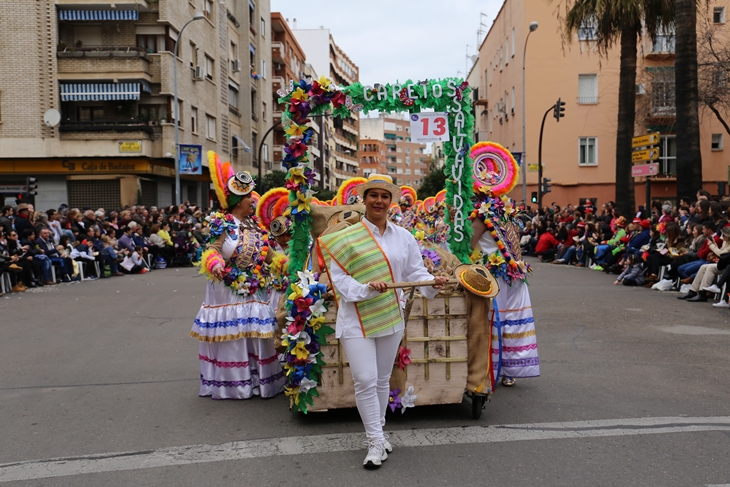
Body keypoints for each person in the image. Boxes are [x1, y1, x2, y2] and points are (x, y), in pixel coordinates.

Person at [318, 174, 448, 469]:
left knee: (380, 380)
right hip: (356, 318)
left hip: (390, 315)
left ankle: (378, 433)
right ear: (363, 200)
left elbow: (415, 274)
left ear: (392, 201)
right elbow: (339, 280)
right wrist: (365, 288)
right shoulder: (345, 237)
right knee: (364, 379)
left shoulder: (403, 236)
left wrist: (432, 282)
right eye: (373, 195)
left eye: (384, 196)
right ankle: (375, 442)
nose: (378, 201)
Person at [191, 153, 284, 401]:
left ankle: (260, 381)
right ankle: (235, 384)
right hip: (227, 290)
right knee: (234, 337)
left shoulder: (255, 226)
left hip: (255, 289)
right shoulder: (223, 224)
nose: (253, 201)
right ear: (237, 201)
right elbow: (211, 249)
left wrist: (285, 264)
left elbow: (270, 254)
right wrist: (215, 263)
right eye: (247, 197)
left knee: (257, 336)